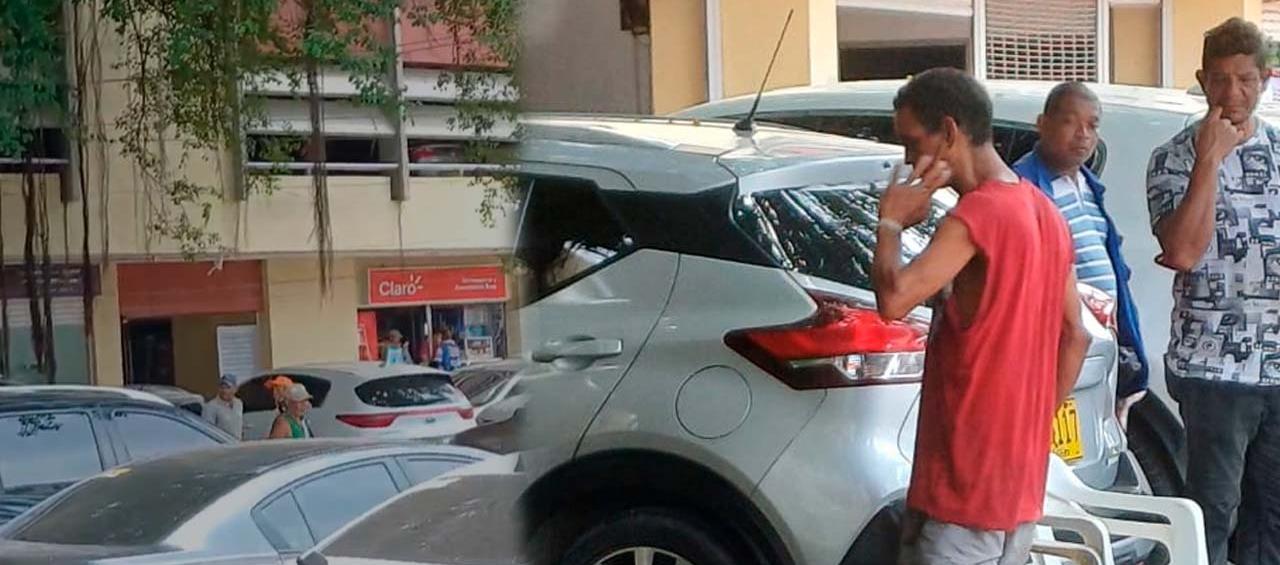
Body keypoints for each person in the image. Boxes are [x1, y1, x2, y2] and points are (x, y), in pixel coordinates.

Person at [871, 68, 1089, 564]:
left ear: (950, 132)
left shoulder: (977, 215)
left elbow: (894, 299)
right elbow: (1074, 335)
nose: (907, 160)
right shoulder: (1045, 213)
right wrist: (1029, 430)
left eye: (912, 142)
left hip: (963, 486)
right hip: (1017, 487)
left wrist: (890, 221)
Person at [1146, 18, 1280, 565]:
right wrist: (1209, 160)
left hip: (1277, 367)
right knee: (1213, 512)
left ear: (1266, 80)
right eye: (1220, 80)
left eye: (1245, 80)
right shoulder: (1173, 159)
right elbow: (1182, 252)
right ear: (1202, 81)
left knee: (1270, 517)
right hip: (1213, 370)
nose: (1232, 94)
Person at [1012, 82, 1151, 424]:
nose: (1083, 135)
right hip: (1056, 346)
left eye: (1093, 125)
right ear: (1041, 124)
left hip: (1103, 344)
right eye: (1070, 122)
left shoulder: (1089, 185)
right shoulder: (1023, 188)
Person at [202, 373, 244, 440]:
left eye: (228, 387)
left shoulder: (239, 403)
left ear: (235, 389)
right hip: (222, 447)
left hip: (237, 444)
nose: (224, 391)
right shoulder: (211, 406)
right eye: (222, 387)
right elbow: (207, 431)